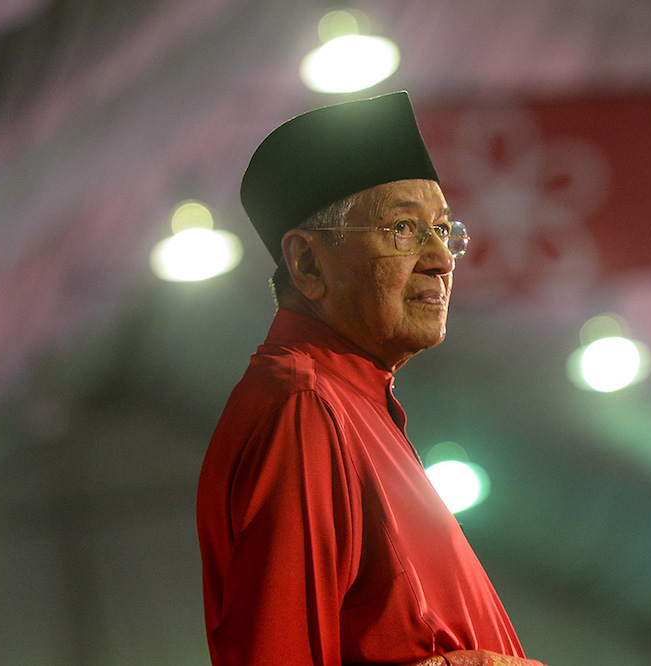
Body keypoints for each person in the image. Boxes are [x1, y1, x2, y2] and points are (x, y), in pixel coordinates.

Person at [196, 92, 545, 666]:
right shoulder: (304, 408)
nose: (442, 259)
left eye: (444, 229)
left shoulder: (354, 402)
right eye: (404, 229)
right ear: (309, 264)